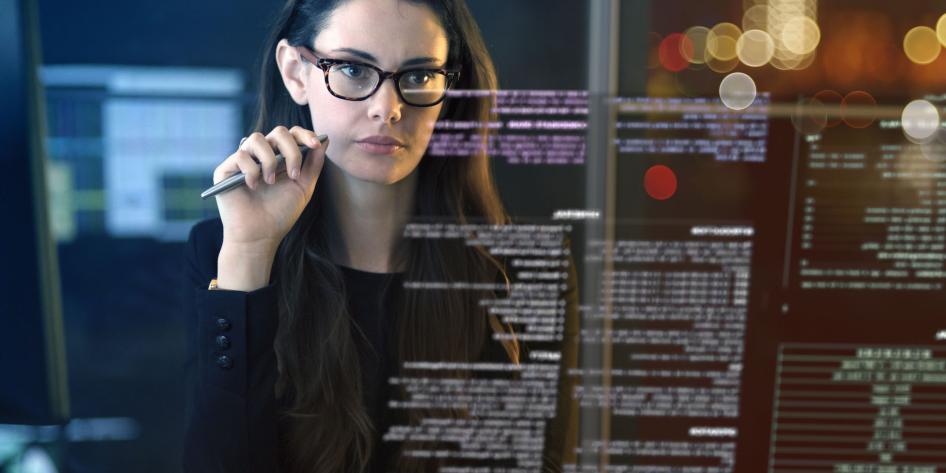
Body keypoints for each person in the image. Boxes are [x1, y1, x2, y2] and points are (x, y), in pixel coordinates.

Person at [180, 0, 578, 471]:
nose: (387, 110)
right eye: (352, 68)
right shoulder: (225, 253)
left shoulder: (520, 270)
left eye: (419, 76)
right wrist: (250, 251)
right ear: (296, 72)